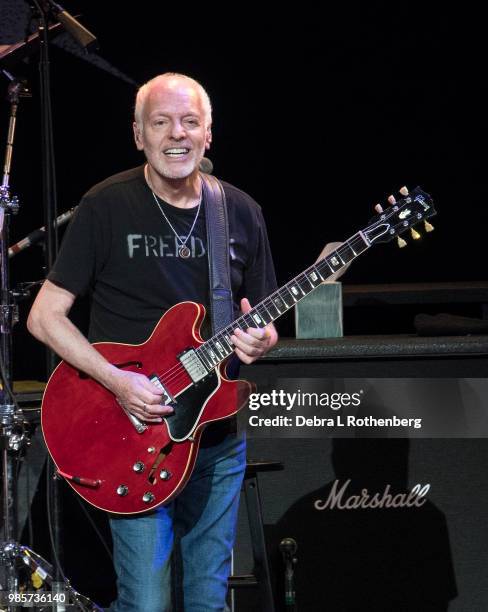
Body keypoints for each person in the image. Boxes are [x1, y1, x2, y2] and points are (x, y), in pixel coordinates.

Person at [27, 72, 278, 612]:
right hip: (134, 432)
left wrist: (262, 339)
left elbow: (258, 318)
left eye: (190, 122)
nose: (176, 135)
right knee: (147, 603)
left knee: (208, 602)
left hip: (215, 433)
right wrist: (118, 383)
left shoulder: (238, 211)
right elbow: (44, 318)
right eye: (160, 122)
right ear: (138, 134)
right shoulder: (106, 205)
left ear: (209, 133)